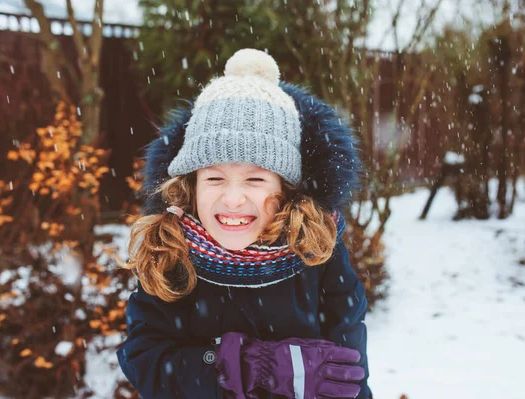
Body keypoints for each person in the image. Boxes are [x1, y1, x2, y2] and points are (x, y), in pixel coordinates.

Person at [116, 48, 371, 399]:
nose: (233, 199)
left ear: (286, 189)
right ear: (190, 184)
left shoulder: (318, 250)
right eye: (214, 179)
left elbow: (348, 376)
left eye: (255, 180)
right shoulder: (171, 249)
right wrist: (241, 364)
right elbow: (145, 360)